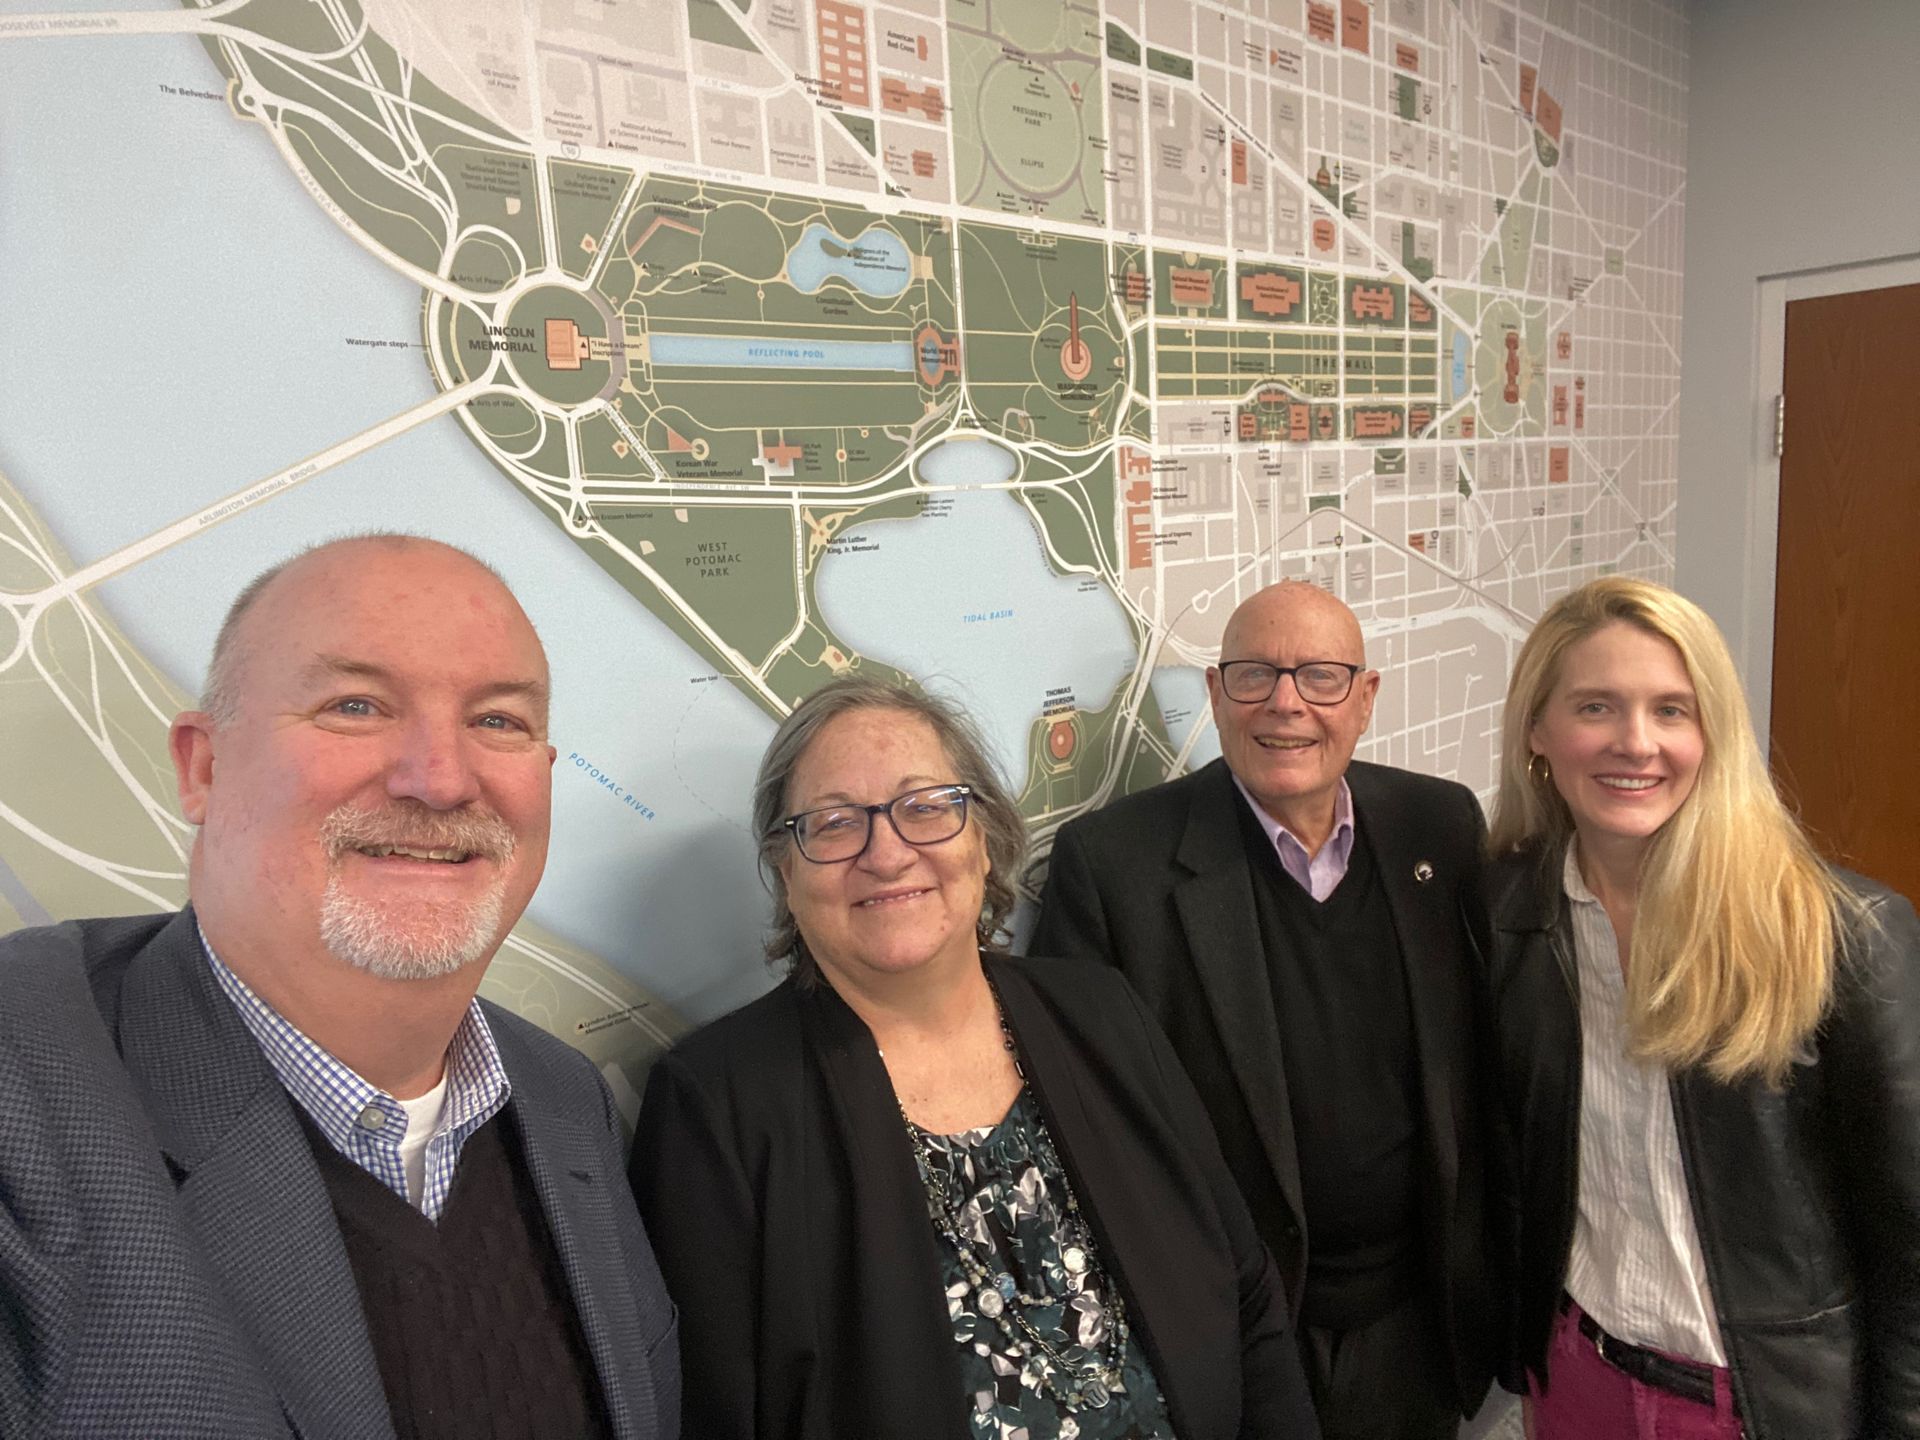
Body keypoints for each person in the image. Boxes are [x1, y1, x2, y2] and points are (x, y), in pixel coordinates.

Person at [0, 535, 680, 1440]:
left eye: (499, 721)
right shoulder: (21, 1084)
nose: (440, 779)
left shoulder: (565, 1102)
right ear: (203, 766)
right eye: (356, 705)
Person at [630, 676, 1318, 1440]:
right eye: (832, 823)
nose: (887, 854)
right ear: (787, 873)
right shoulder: (715, 1108)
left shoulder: (1102, 1011)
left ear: (982, 840)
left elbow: (1246, 1293)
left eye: (925, 807)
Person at [1033, 580, 1500, 1440]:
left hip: (1415, 1322)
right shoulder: (1113, 867)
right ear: (1216, 696)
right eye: (1254, 675)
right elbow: (1079, 1132)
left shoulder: (1440, 827)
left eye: (1321, 676)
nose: (1286, 703)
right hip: (1239, 1330)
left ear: (1364, 701)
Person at [1484, 576, 1920, 1439]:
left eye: (1672, 710)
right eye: (1597, 706)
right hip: (1574, 1377)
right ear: (1538, 732)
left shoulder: (1842, 937)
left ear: (1713, 731)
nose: (1635, 743)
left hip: (1764, 1403)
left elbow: (1911, 1242)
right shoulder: (1507, 914)